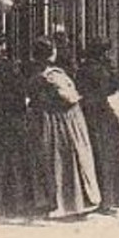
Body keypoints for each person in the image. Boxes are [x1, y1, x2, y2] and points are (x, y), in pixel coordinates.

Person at [27, 36, 102, 220]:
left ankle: (53, 202)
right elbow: (69, 97)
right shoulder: (52, 76)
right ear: (52, 54)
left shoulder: (35, 75)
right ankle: (72, 203)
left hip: (45, 121)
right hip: (64, 122)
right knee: (69, 158)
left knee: (53, 159)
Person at [0, 40, 44, 220]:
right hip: (14, 124)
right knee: (17, 166)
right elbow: (21, 101)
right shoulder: (13, 73)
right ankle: (16, 207)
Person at [75, 40, 119, 213]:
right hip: (102, 115)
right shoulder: (101, 70)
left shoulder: (82, 70)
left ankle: (93, 198)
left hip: (85, 114)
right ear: (101, 54)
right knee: (108, 156)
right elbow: (115, 87)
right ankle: (109, 199)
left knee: (91, 155)